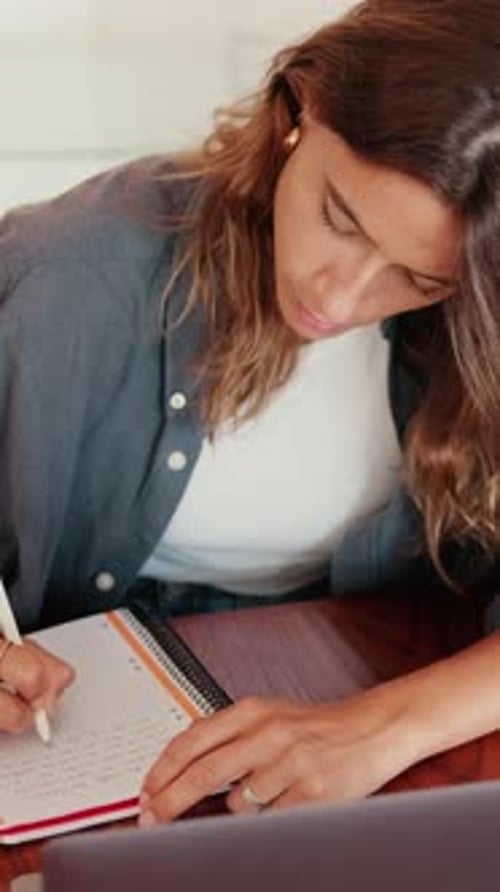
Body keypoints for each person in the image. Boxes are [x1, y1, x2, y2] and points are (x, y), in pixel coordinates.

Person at [1, 0, 500, 822]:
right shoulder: (65, 272)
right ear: (295, 115)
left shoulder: (476, 317)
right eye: (340, 218)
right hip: (78, 709)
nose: (339, 297)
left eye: (419, 280)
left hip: (353, 667)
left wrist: (381, 730)